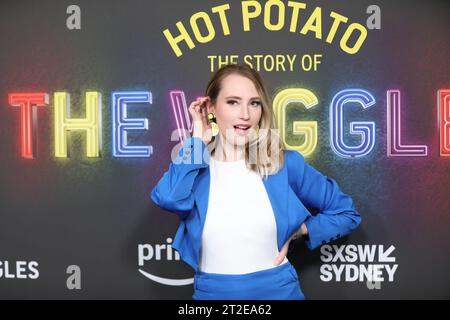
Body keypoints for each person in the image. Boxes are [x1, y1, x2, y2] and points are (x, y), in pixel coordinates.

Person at [150, 64, 361, 300]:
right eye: (232, 102)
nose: (245, 114)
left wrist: (301, 231)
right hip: (212, 294)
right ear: (211, 106)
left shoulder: (284, 164)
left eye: (254, 103)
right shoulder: (195, 169)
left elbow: (346, 213)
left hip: (279, 291)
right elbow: (169, 198)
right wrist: (198, 138)